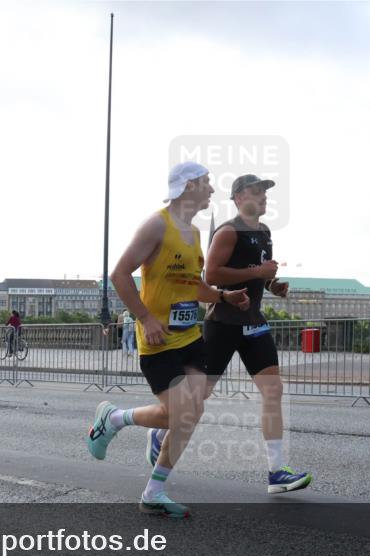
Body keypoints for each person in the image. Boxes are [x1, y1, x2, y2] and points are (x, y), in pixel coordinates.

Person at [85, 162, 249, 518]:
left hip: (190, 337)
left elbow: (194, 286)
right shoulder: (157, 224)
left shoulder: (191, 233)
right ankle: (113, 419)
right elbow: (119, 273)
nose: (211, 189)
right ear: (188, 186)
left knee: (190, 414)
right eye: (206, 183)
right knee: (180, 413)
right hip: (159, 341)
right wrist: (145, 317)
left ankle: (154, 491)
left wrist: (223, 296)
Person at [148, 174, 312, 493]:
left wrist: (270, 285)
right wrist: (258, 273)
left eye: (266, 192)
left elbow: (257, 270)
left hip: (253, 322)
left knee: (273, 390)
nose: (264, 196)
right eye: (256, 191)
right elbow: (211, 273)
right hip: (223, 323)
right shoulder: (227, 231)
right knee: (198, 398)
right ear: (238, 197)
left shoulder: (263, 232)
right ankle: (159, 433)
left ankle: (276, 473)